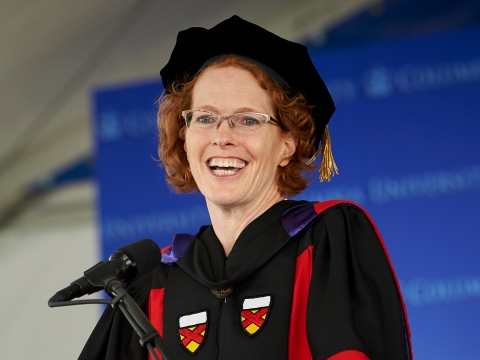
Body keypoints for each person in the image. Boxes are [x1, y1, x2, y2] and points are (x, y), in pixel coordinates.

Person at [80, 15, 412, 360]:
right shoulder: (154, 285)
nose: (222, 137)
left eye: (248, 120)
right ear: (185, 136)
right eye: (205, 118)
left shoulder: (325, 240)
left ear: (288, 144)